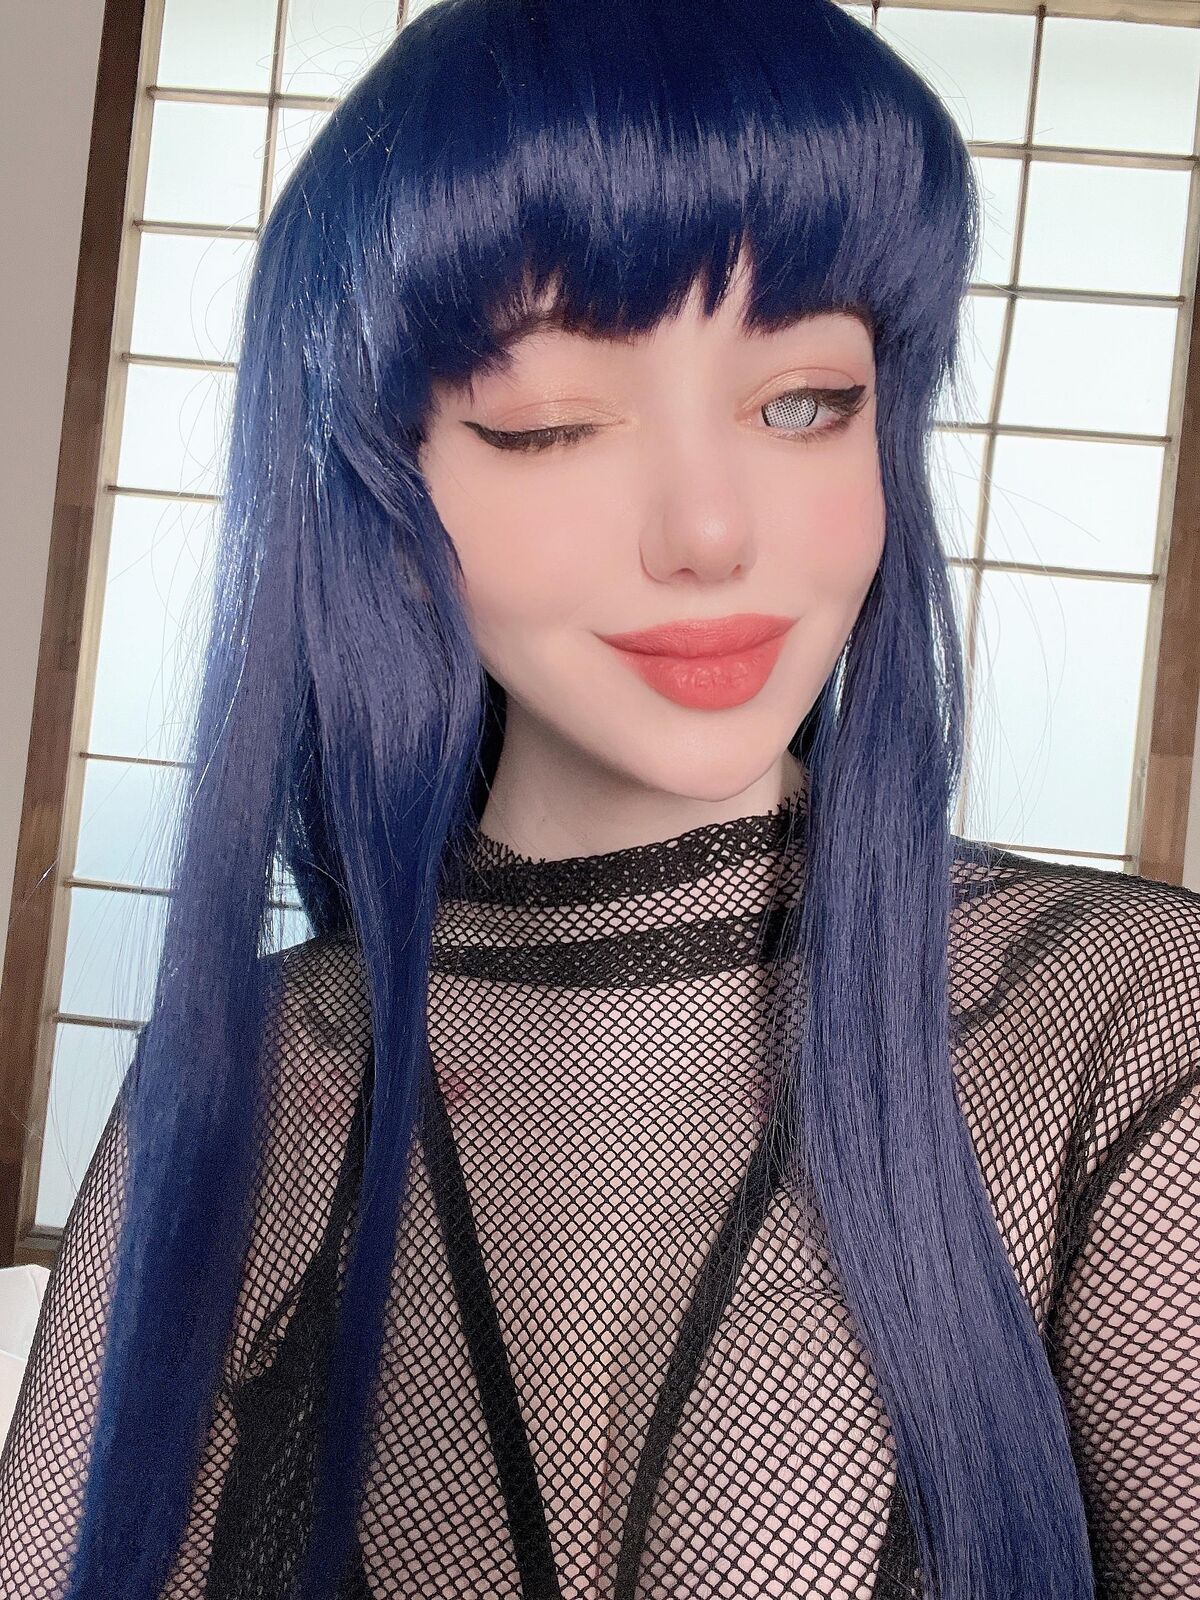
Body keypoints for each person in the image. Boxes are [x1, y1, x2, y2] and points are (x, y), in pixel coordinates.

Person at [1, 0, 1197, 1596]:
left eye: (803, 404)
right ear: (380, 481)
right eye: (551, 423)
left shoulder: (1116, 1027)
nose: (710, 533)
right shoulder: (263, 1070)